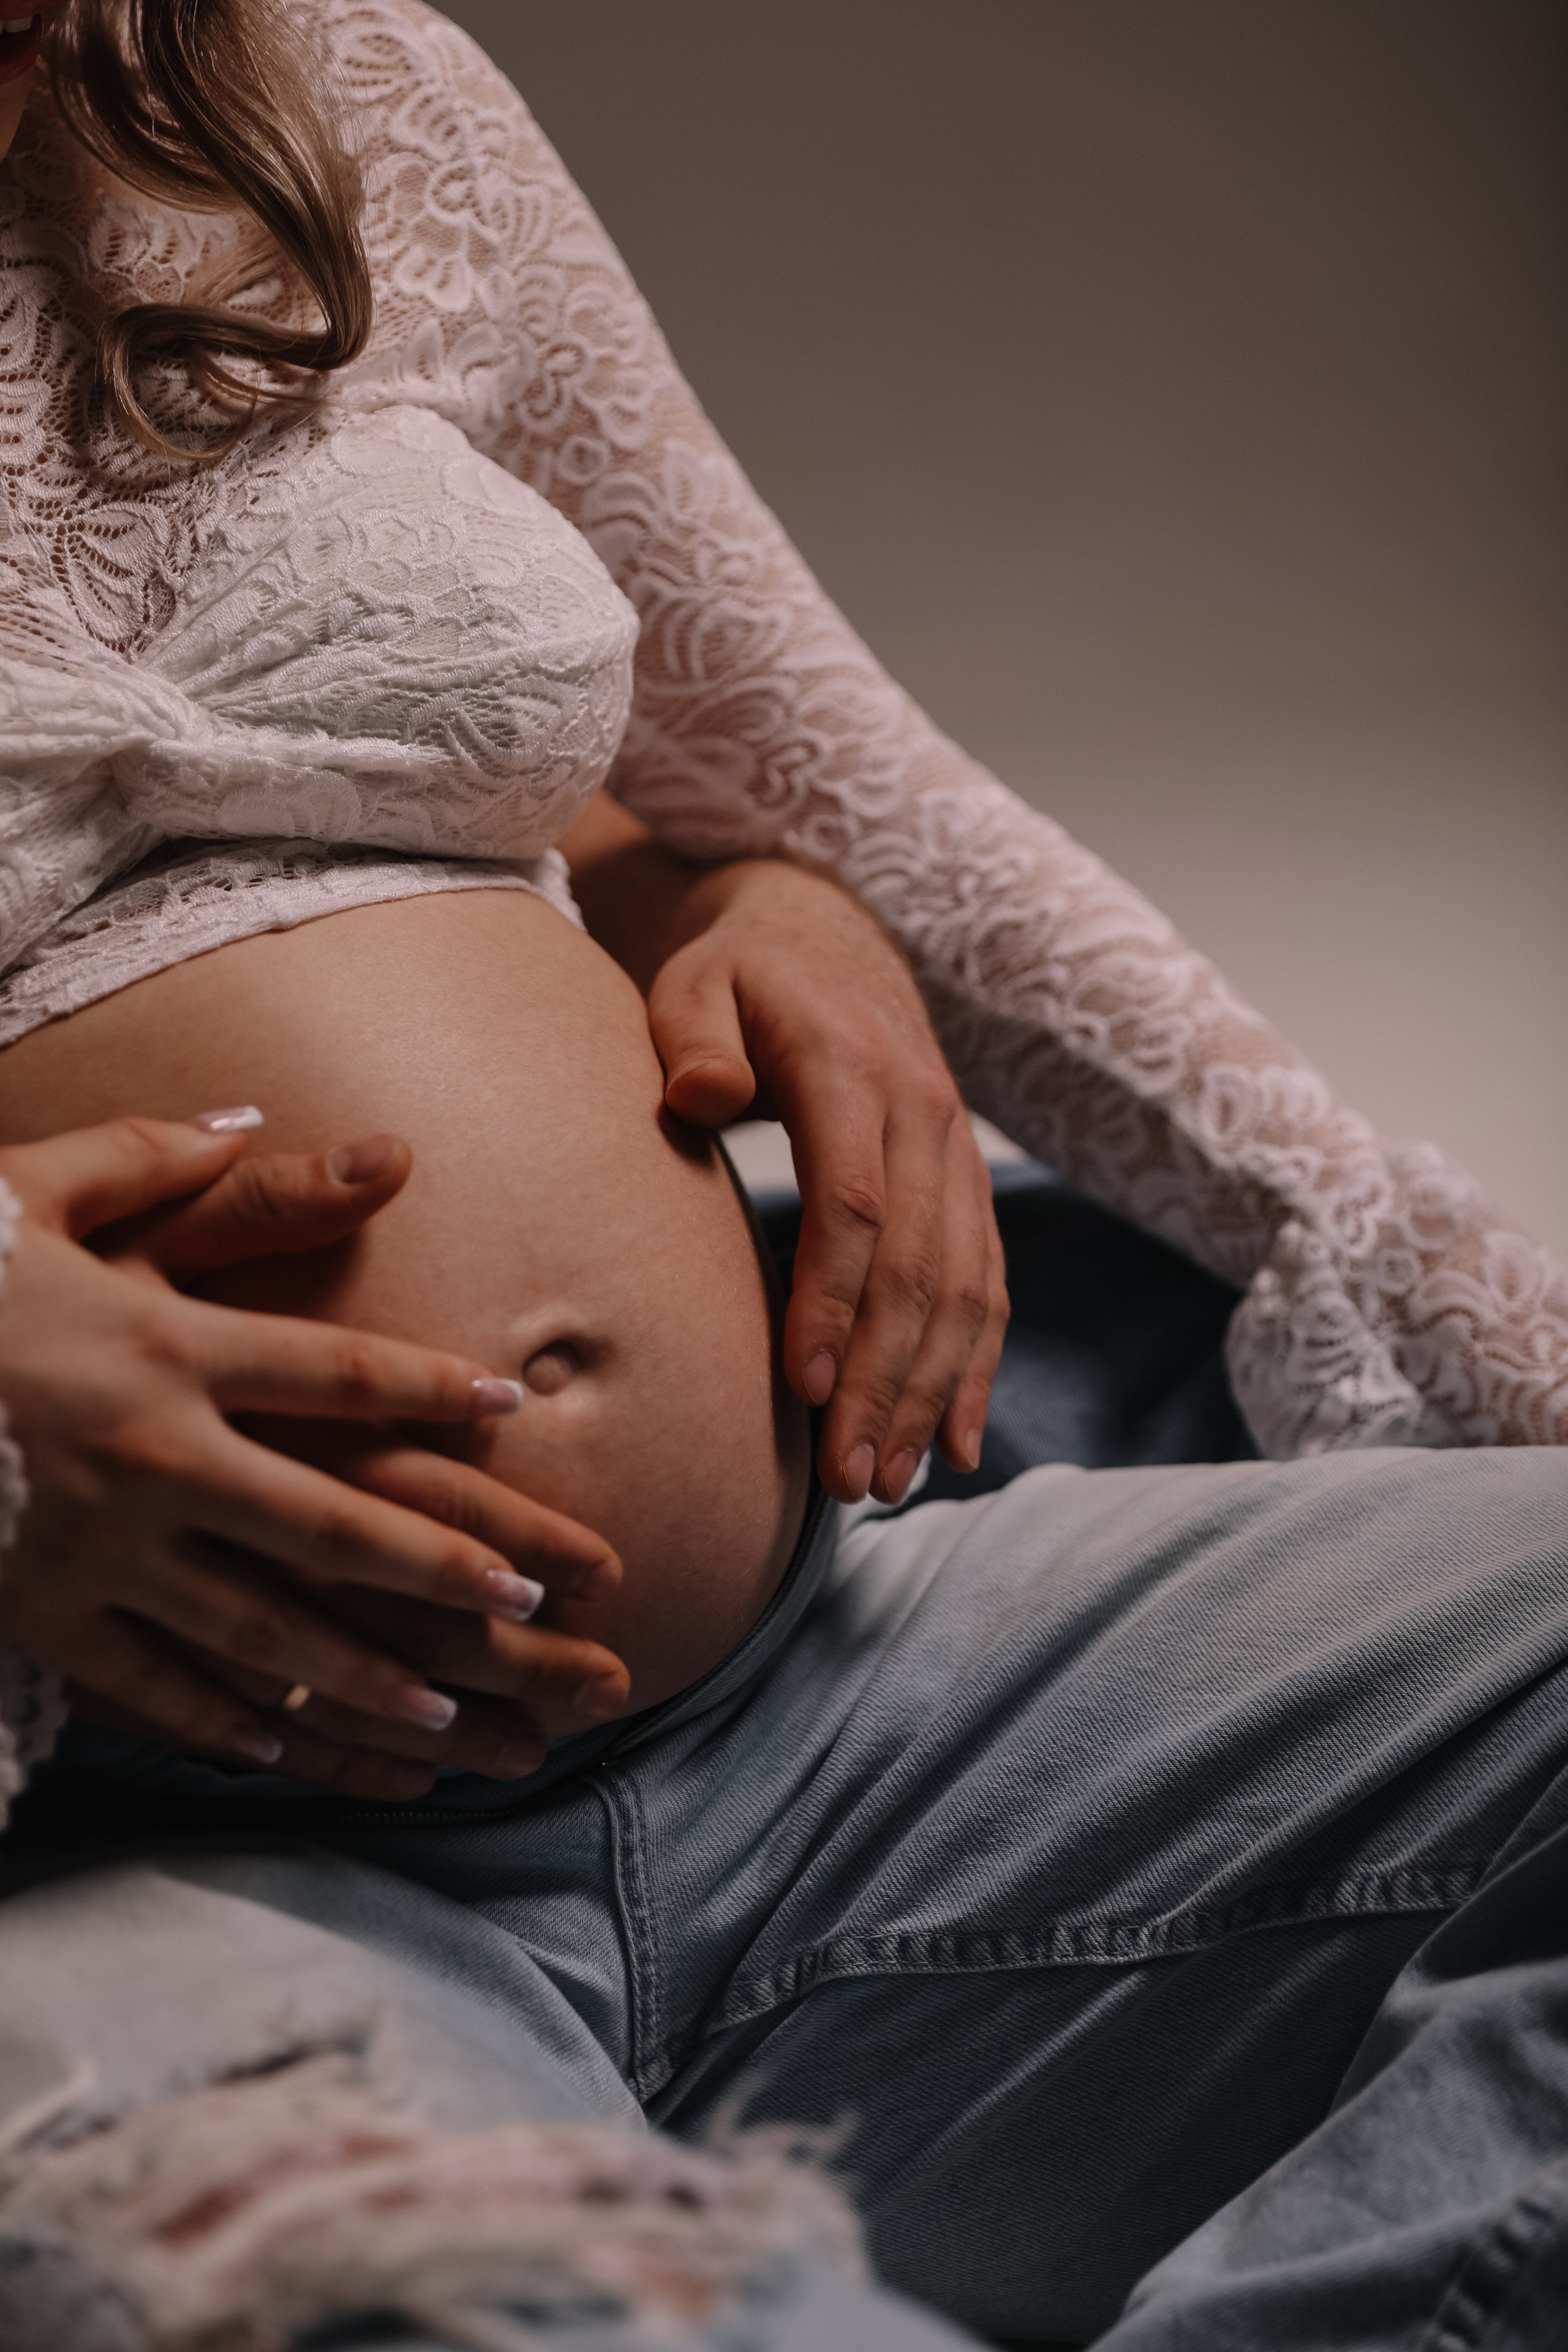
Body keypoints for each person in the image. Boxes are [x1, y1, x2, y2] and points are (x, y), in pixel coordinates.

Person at [2, 2, 1568, 2346]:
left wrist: (768, 896)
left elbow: (839, 794)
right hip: (128, 1852)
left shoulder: (326, 81)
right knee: (386, 2287)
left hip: (838, 1707)